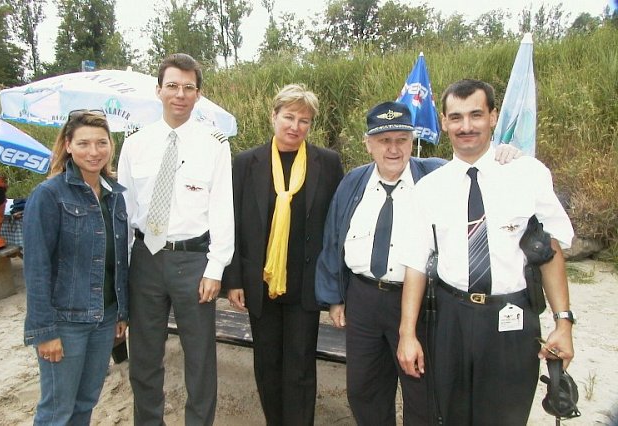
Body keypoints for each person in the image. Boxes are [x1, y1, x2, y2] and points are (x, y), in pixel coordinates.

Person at [315, 101, 520, 425]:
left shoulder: (437, 175)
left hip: (419, 301)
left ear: (413, 141)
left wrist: (504, 156)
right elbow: (332, 238)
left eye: (402, 139)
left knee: (423, 392)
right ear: (368, 144)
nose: (393, 149)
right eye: (384, 140)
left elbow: (476, 167)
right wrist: (334, 297)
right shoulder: (353, 182)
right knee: (364, 390)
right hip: (363, 300)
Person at [396, 79, 575, 425]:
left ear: (493, 117)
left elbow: (550, 252)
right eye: (456, 117)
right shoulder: (429, 188)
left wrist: (563, 323)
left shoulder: (527, 174)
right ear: (444, 122)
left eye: (476, 115)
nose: (466, 126)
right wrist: (407, 334)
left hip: (513, 318)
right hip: (450, 319)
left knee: (505, 417)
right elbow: (415, 265)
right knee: (449, 416)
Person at [118, 53, 234, 425]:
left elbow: (222, 209)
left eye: (188, 87)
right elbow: (125, 210)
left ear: (198, 94)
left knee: (199, 358)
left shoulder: (214, 144)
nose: (179, 94)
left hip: (193, 262)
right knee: (144, 355)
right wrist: (124, 266)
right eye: (172, 86)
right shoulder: (135, 143)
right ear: (158, 90)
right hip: (145, 259)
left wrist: (215, 268)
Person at [223, 83, 344, 425]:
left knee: (301, 365)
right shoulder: (246, 163)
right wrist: (234, 280)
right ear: (273, 116)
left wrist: (335, 285)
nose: (295, 126)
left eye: (304, 120)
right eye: (289, 117)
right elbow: (232, 222)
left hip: (305, 284)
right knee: (267, 364)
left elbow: (337, 226)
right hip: (260, 283)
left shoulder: (328, 163)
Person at [23, 109, 129, 425]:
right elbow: (37, 268)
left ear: (110, 146)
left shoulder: (114, 195)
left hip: (105, 318)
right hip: (66, 321)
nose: (93, 151)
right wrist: (44, 332)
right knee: (56, 411)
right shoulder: (49, 195)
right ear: (68, 145)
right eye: (83, 143)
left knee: (85, 402)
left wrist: (121, 312)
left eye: (101, 143)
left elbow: (117, 260)